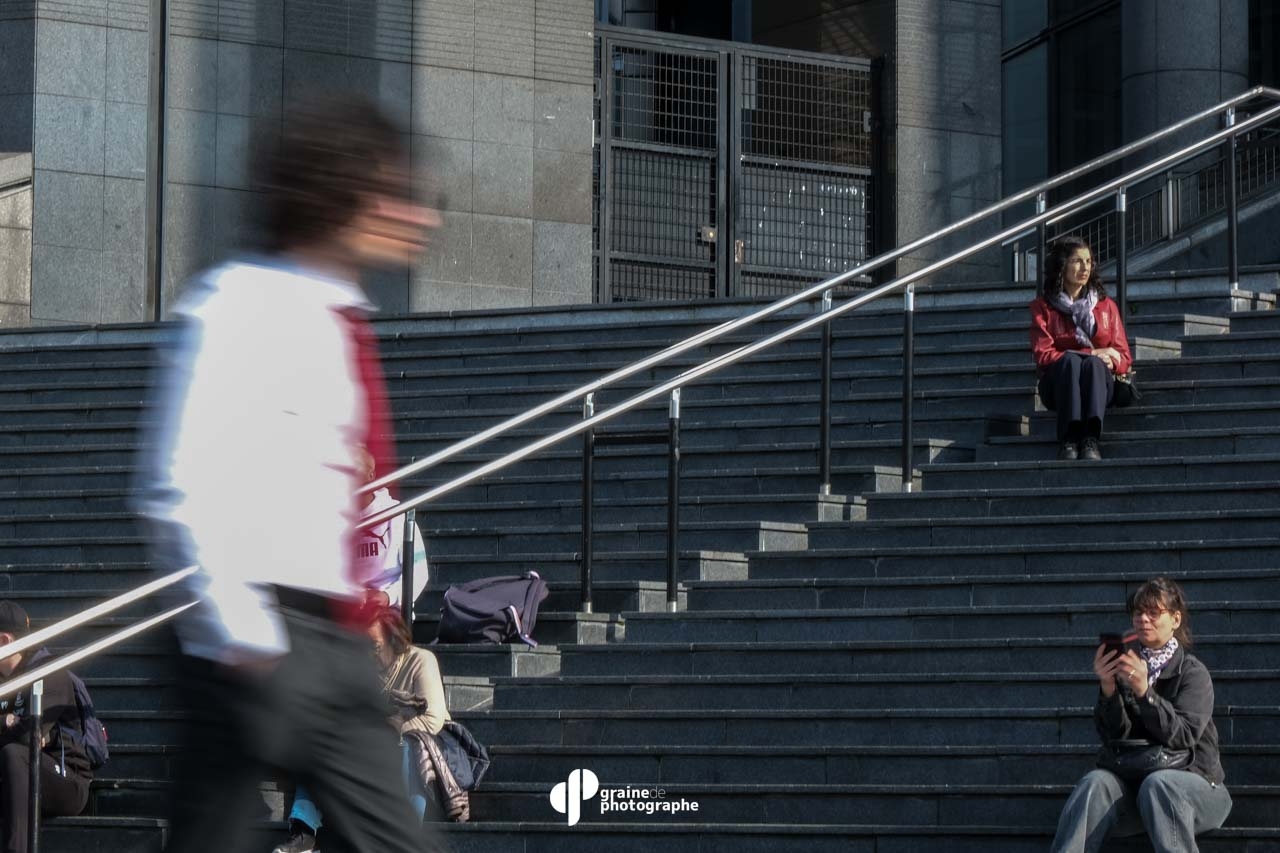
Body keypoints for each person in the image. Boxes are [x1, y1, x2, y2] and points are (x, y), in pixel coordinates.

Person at [140, 96, 446, 853]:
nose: (421, 216)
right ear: (343, 194)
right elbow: (178, 481)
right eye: (400, 193)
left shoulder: (340, 318)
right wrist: (244, 634)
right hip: (252, 635)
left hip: (335, 643)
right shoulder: (239, 303)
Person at [1050, 577, 1231, 853]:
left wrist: (1146, 694)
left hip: (1198, 788)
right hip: (1138, 790)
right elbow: (1114, 737)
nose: (1143, 619)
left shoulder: (1192, 673)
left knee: (1159, 784)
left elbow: (1183, 736)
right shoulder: (1129, 667)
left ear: (1175, 619)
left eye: (1154, 613)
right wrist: (1109, 688)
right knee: (1094, 783)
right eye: (1138, 613)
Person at [275, 608, 453, 853]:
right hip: (374, 748)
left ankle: (402, 837)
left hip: (423, 748)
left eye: (375, 646)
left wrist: (390, 732)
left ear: (393, 639)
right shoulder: (362, 669)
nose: (369, 654)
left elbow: (433, 719)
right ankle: (304, 831)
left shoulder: (420, 660)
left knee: (407, 749)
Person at [0, 601, 92, 853]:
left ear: (5, 640)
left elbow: (28, 737)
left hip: (66, 780)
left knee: (15, 754)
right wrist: (5, 721)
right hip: (14, 775)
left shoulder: (48, 672)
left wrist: (19, 730)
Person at [1029, 236, 1132, 461]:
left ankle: (1090, 439)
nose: (1085, 268)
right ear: (1061, 266)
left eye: (1088, 261)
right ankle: (1069, 439)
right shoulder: (1042, 308)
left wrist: (1111, 361)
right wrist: (1092, 353)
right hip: (1058, 384)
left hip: (1099, 383)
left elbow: (1124, 357)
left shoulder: (1106, 306)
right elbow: (1043, 355)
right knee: (1071, 361)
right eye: (1077, 261)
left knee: (1094, 365)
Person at [353, 447, 429, 611]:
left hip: (388, 607)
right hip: (350, 604)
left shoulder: (397, 515)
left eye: (354, 468)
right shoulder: (336, 518)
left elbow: (419, 572)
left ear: (371, 476)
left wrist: (388, 596)